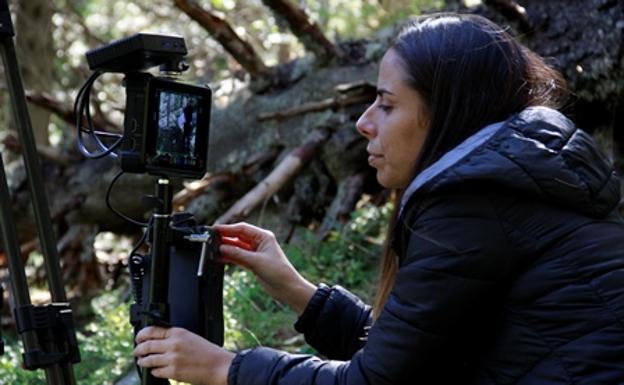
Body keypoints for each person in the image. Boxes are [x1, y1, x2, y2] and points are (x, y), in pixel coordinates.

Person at [133, 12, 624, 385]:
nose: (363, 122)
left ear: (448, 113)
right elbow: (414, 352)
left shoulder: (473, 202)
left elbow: (374, 381)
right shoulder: (513, 180)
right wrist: (297, 290)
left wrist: (226, 368)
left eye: (387, 105)